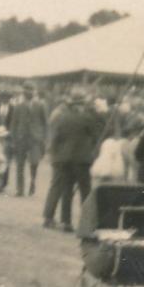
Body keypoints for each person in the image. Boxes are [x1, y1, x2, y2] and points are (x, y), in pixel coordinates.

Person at [42, 91, 98, 232]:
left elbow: (54, 138)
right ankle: (87, 223)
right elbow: (96, 134)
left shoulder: (61, 117)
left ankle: (64, 222)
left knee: (65, 190)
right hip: (81, 160)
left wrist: (53, 155)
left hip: (63, 159)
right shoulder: (87, 118)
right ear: (81, 105)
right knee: (85, 191)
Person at [7, 84, 48, 197]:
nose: (28, 92)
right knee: (20, 164)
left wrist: (43, 138)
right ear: (23, 92)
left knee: (34, 163)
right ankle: (20, 189)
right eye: (26, 90)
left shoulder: (40, 105)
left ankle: (32, 183)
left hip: (35, 139)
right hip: (21, 138)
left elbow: (45, 123)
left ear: (34, 91)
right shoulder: (18, 106)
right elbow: (13, 124)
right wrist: (13, 139)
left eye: (30, 90)